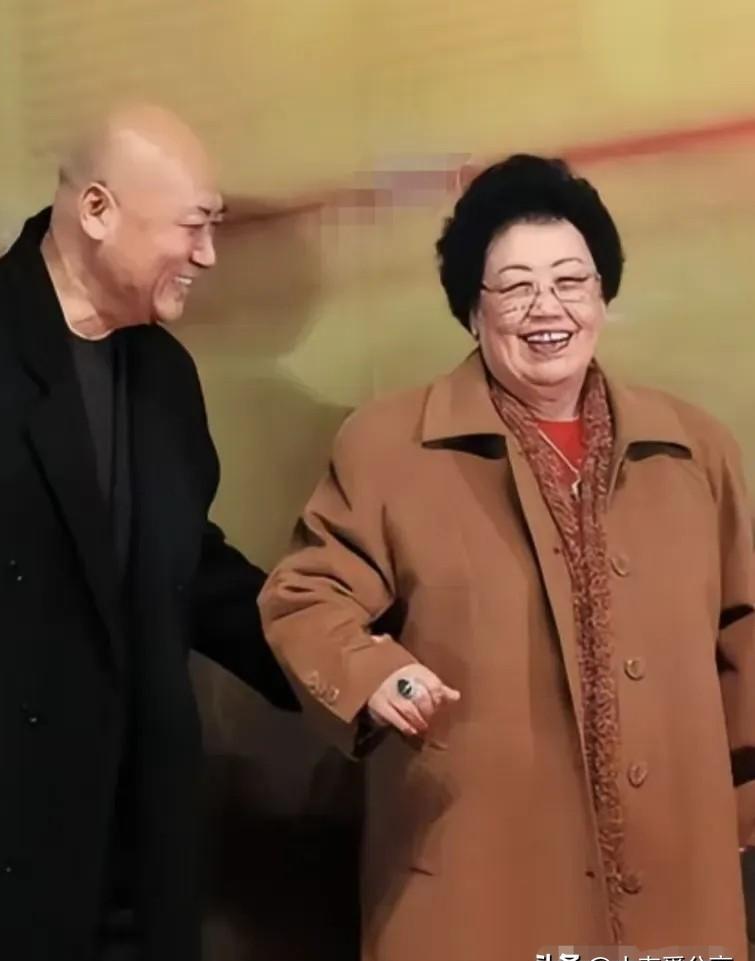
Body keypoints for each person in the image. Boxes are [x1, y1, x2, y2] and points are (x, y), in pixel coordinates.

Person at [0, 103, 295, 961]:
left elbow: (184, 566)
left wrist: (336, 649)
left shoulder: (164, 376)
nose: (208, 255)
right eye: (192, 226)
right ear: (97, 209)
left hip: (123, 864)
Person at [258, 153, 755, 960]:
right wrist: (372, 672)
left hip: (676, 875)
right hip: (479, 874)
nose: (545, 307)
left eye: (570, 281)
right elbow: (306, 594)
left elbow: (743, 631)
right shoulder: (389, 445)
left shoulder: (695, 450)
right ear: (470, 309)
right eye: (514, 286)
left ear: (602, 294)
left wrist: (742, 804)